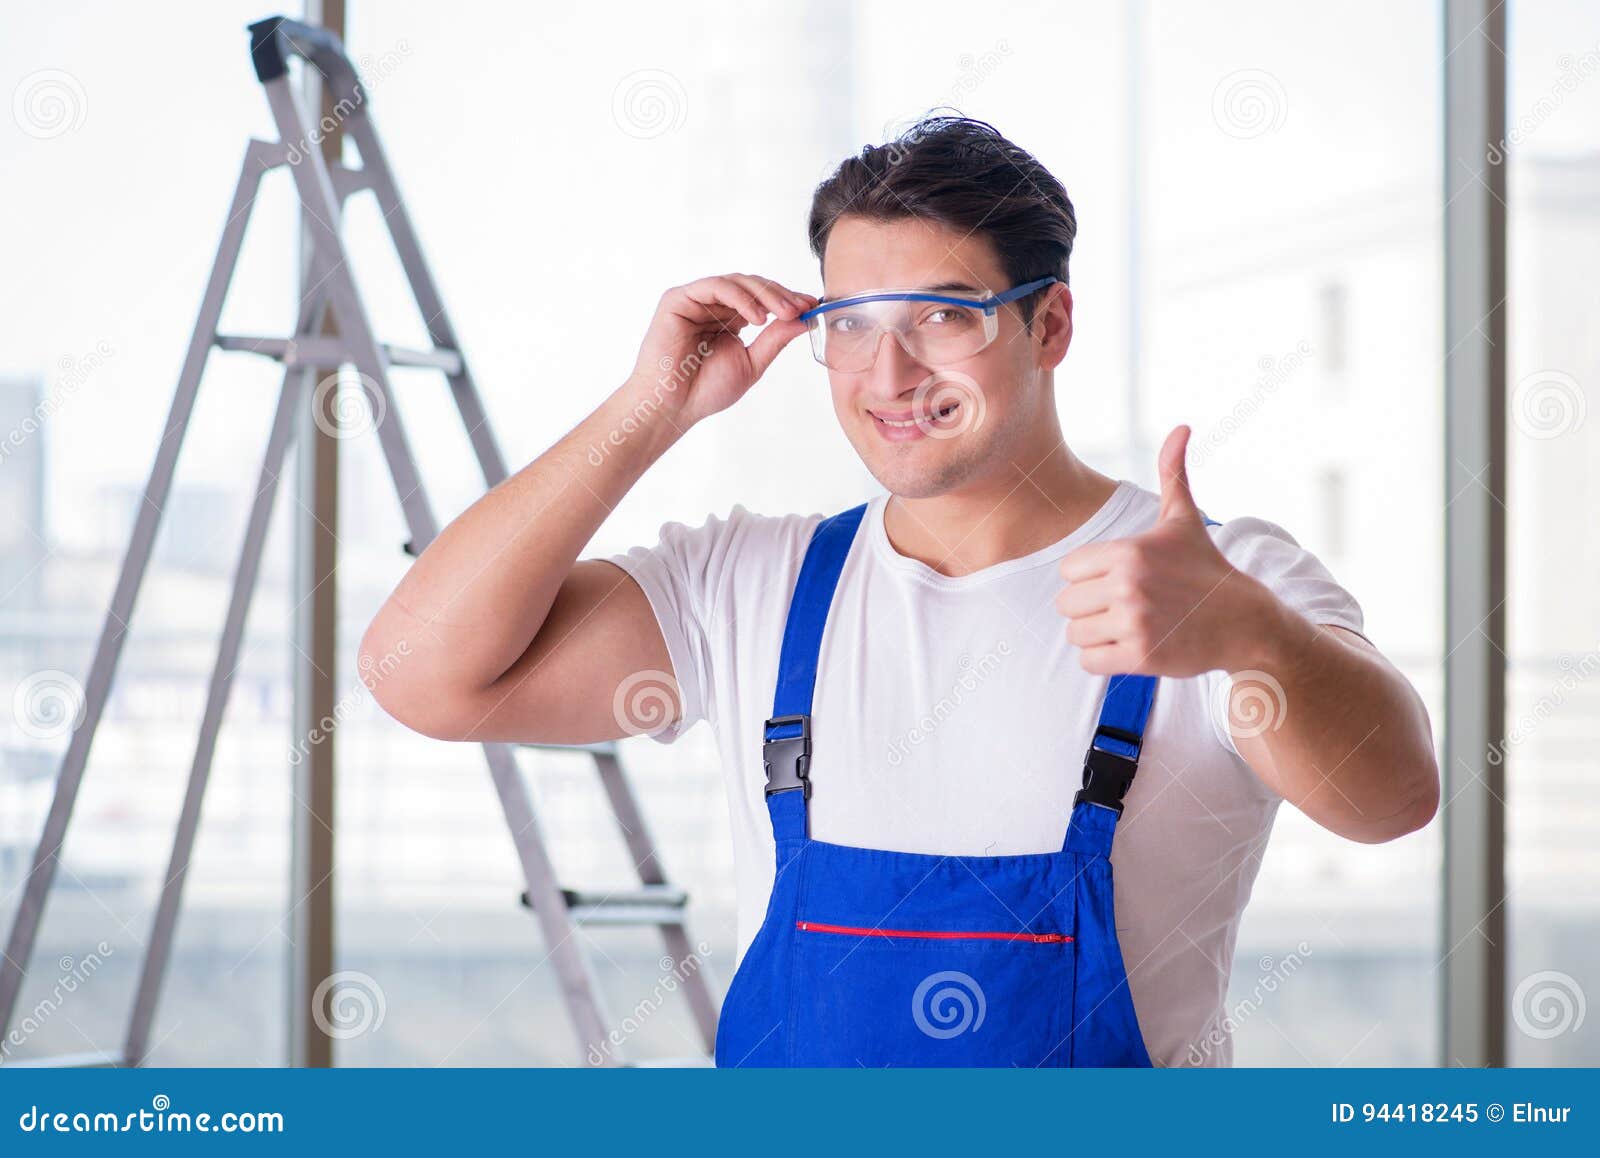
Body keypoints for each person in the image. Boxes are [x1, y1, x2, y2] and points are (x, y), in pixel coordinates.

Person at [360, 115, 1438, 1067]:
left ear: (1048, 326)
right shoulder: (756, 585)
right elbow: (420, 676)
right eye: (854, 323)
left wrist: (1254, 640)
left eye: (940, 316)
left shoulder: (1209, 578)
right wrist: (653, 406)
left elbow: (1392, 800)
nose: (888, 376)